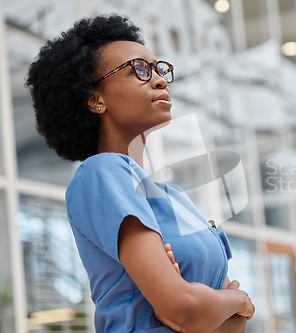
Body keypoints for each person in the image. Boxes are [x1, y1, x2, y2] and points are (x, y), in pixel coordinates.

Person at [26, 14, 255, 333]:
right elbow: (187, 309)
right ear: (95, 99)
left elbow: (231, 326)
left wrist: (214, 306)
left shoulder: (174, 197)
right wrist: (238, 301)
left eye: (159, 69)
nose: (160, 80)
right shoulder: (102, 171)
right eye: (139, 70)